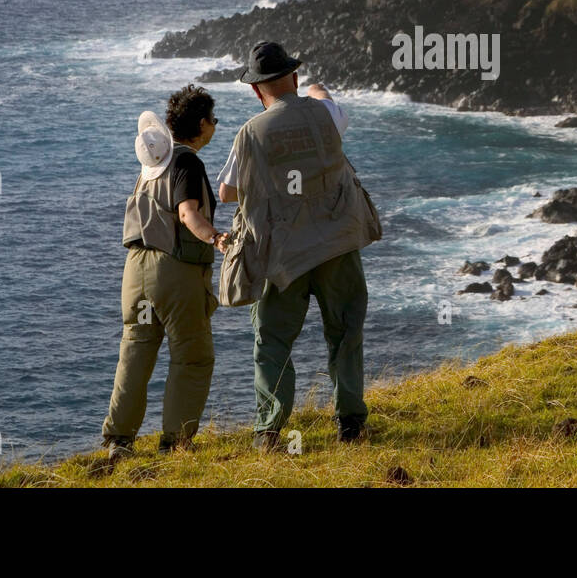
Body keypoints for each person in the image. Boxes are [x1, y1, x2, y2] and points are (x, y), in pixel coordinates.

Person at [216, 41, 378, 452]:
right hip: (336, 241)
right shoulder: (323, 113)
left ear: (256, 91)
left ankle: (269, 433)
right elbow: (327, 100)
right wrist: (316, 90)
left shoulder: (251, 133)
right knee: (344, 332)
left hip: (282, 253)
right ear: (295, 77)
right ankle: (351, 425)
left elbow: (227, 192)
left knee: (272, 341)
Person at [102, 85, 232, 461]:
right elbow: (188, 213)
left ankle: (119, 441)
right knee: (192, 357)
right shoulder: (188, 162)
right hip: (174, 270)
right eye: (215, 121)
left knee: (136, 353)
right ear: (204, 124)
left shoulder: (150, 164)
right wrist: (217, 238)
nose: (215, 127)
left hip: (135, 272)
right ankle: (174, 443)